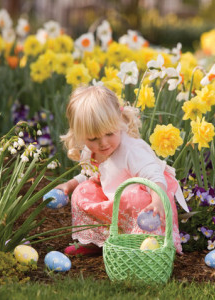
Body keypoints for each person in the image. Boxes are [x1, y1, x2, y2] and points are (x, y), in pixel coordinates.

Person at [56, 85, 189, 256]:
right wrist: (69, 185)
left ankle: (147, 246)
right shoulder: (91, 150)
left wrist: (157, 201)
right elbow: (89, 174)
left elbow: (154, 177)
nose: (103, 143)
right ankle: (95, 240)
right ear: (81, 135)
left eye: (110, 134)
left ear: (119, 122)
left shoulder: (131, 151)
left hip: (147, 200)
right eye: (93, 138)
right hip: (116, 202)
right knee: (82, 192)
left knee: (137, 197)